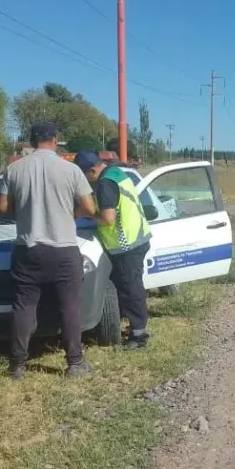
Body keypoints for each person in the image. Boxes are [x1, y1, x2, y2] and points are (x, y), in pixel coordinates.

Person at [0, 123, 97, 380]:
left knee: (24, 306)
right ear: (55, 140)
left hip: (28, 249)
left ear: (31, 142)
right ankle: (74, 363)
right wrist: (69, 214)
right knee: (69, 306)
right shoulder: (71, 169)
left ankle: (17, 365)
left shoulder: (14, 169)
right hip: (63, 249)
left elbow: (3, 208)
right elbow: (89, 207)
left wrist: (26, 210)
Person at [74, 150, 153, 350]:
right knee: (131, 286)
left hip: (125, 244)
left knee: (130, 288)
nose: (85, 181)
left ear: (92, 170)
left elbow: (108, 218)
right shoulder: (116, 173)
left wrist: (90, 218)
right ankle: (137, 328)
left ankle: (138, 335)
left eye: (84, 176)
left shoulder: (105, 185)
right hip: (137, 238)